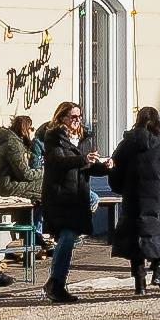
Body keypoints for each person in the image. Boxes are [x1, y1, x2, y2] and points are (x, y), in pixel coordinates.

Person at [110, 99, 160, 296]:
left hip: (133, 197)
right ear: (158, 122)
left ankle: (139, 284)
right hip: (159, 197)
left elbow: (115, 170)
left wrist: (119, 188)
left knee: (136, 241)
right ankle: (159, 271)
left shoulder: (126, 144)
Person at [36, 100, 95, 304]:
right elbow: (59, 162)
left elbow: (84, 167)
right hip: (59, 197)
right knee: (67, 237)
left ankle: (56, 282)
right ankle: (56, 283)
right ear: (62, 118)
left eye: (79, 116)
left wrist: (104, 165)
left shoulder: (81, 139)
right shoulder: (53, 137)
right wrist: (84, 159)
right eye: (73, 117)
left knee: (68, 239)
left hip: (76, 196)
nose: (77, 120)